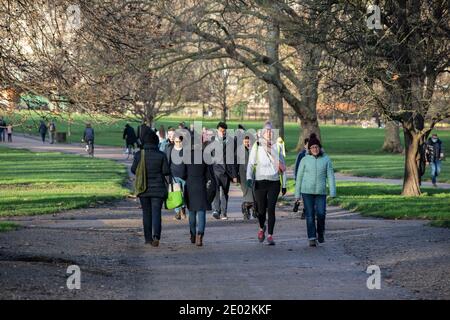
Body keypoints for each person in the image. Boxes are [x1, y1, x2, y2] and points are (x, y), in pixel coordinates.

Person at [246, 121, 287, 245]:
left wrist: (284, 184)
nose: (269, 133)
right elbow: (251, 163)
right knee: (261, 210)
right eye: (266, 131)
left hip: (274, 182)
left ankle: (270, 235)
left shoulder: (277, 146)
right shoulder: (257, 146)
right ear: (263, 133)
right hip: (260, 181)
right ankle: (261, 227)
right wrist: (249, 177)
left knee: (271, 209)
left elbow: (283, 167)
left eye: (270, 131)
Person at [295, 134, 336, 247]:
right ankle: (312, 237)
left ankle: (320, 233)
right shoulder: (304, 160)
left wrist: (332, 191)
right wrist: (297, 194)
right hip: (306, 192)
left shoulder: (326, 159)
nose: (314, 149)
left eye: (316, 147)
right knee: (310, 215)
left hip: (321, 192)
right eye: (312, 147)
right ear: (309, 149)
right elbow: (299, 177)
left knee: (321, 214)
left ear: (320, 147)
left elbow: (330, 176)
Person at [131, 130, 170, 247]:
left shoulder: (139, 155)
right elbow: (166, 171)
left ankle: (147, 238)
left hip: (143, 189)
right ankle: (156, 236)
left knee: (146, 213)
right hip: (158, 189)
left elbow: (133, 170)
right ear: (156, 141)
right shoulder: (161, 155)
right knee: (157, 213)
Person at [183, 142, 214, 246]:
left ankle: (192, 234)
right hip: (201, 185)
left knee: (191, 212)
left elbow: (183, 173)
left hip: (190, 185)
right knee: (201, 212)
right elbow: (209, 173)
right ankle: (200, 235)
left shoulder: (186, 156)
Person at [209, 122, 238, 220]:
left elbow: (233, 159)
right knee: (216, 190)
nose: (223, 133)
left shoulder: (230, 141)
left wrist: (234, 175)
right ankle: (216, 210)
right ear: (217, 130)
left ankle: (224, 212)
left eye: (224, 131)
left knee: (225, 192)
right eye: (221, 131)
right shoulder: (212, 141)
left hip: (226, 171)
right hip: (215, 170)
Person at [166, 134, 187, 220]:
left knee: (184, 194)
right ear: (173, 141)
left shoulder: (186, 150)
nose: (178, 143)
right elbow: (168, 162)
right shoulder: (170, 149)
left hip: (185, 175)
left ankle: (183, 209)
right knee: (176, 194)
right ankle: (177, 212)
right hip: (174, 175)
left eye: (179, 141)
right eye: (176, 142)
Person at [238, 134, 255, 220]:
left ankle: (254, 209)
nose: (247, 143)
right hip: (243, 173)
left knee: (252, 190)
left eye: (248, 141)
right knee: (245, 190)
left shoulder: (253, 149)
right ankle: (246, 209)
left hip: (252, 173)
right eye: (245, 141)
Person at [293, 137, 310, 220]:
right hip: (302, 179)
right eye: (308, 145)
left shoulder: (315, 155)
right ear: (305, 145)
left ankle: (308, 210)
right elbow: (296, 167)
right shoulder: (301, 155)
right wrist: (296, 178)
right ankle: (304, 209)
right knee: (304, 196)